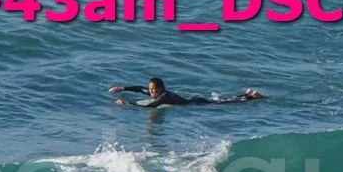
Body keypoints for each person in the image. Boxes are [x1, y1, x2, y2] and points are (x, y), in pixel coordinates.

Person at [108, 76, 265, 109]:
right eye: (150, 89)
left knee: (223, 103)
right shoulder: (154, 92)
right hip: (193, 99)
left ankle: (252, 97)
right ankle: (247, 94)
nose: (150, 91)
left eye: (153, 89)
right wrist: (123, 88)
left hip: (195, 103)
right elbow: (139, 89)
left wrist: (128, 103)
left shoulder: (163, 96)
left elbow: (152, 106)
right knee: (222, 100)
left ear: (161, 88)